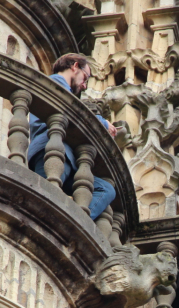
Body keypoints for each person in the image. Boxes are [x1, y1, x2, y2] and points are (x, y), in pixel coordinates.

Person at [28, 53, 117, 220]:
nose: (84, 85)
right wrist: (102, 123)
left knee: (106, 189)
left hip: (67, 158)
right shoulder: (55, 82)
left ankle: (77, 221)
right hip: (51, 152)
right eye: (86, 77)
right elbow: (73, 111)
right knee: (45, 205)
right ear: (75, 66)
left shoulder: (63, 88)